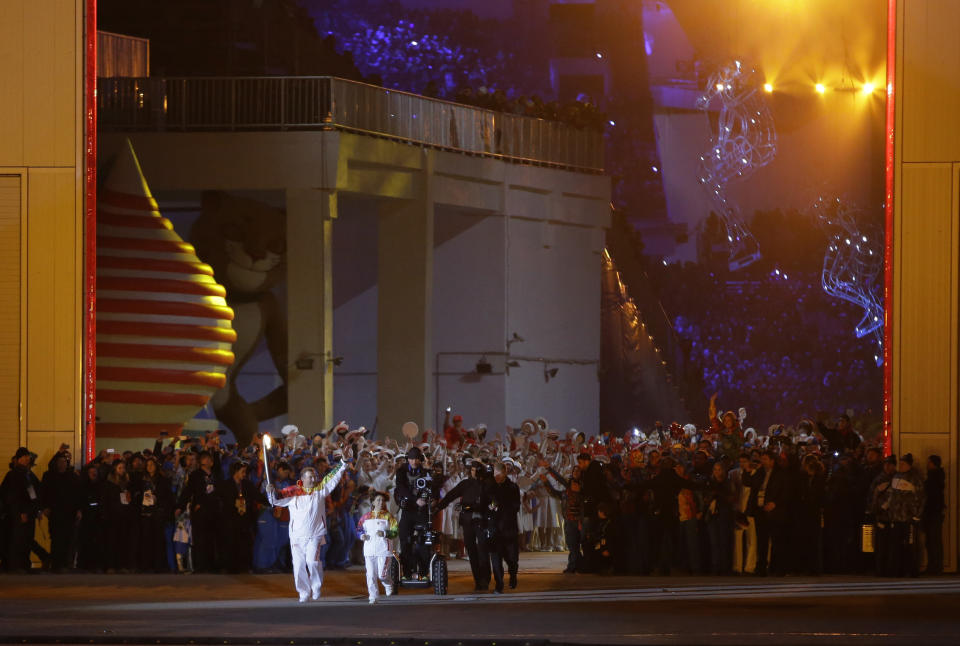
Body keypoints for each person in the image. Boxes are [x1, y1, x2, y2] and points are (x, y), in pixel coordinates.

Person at [266, 458, 350, 602]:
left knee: (312, 562)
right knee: (298, 566)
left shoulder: (320, 490)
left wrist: (342, 463)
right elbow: (275, 500)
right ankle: (303, 592)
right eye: (310, 476)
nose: (313, 479)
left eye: (315, 476)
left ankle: (316, 586)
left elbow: (332, 478)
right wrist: (270, 492)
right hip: (296, 536)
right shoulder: (292, 492)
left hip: (315, 535)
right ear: (302, 479)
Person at [436, 459, 487, 591]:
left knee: (483, 550)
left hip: (482, 521)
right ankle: (478, 580)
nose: (474, 471)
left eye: (476, 469)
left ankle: (485, 579)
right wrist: (438, 507)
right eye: (472, 469)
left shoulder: (486, 484)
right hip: (467, 521)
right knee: (471, 550)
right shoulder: (465, 484)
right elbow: (450, 496)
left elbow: (492, 502)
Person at [394, 446, 440, 580]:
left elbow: (435, 488)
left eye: (416, 459)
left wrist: (432, 499)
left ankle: (424, 572)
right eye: (411, 459)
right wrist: (415, 500)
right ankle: (407, 572)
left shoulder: (426, 471)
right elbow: (401, 488)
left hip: (423, 512)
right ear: (408, 459)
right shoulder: (401, 471)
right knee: (405, 541)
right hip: (408, 510)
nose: (414, 462)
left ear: (420, 460)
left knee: (425, 542)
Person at [484, 462, 521, 593]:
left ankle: (513, 575)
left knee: (511, 558)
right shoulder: (489, 487)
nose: (496, 477)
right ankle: (499, 584)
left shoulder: (512, 487)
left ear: (504, 473)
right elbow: (485, 504)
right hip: (494, 528)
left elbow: (516, 506)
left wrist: (501, 507)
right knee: (495, 558)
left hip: (508, 528)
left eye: (499, 475)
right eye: (495, 475)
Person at [2, 448, 39, 572]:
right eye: (23, 457)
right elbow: (13, 496)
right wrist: (20, 512)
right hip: (19, 513)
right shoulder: (14, 474)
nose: (26, 459)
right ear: (18, 459)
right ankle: (16, 566)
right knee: (18, 539)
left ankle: (24, 564)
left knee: (27, 539)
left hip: (29, 512)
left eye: (27, 456)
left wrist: (36, 509)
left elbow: (33, 493)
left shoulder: (27, 474)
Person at [357, 490, 397, 604]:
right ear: (373, 502)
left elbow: (395, 531)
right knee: (370, 575)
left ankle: (388, 583)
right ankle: (373, 596)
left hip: (384, 549)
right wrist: (362, 536)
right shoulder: (366, 517)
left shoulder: (388, 516)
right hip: (369, 550)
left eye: (383, 500)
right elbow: (359, 529)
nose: (381, 502)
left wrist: (384, 534)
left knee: (382, 575)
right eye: (378, 500)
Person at [922, 455, 945, 575]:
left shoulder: (933, 478)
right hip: (934, 513)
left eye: (929, 462)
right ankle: (936, 566)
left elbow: (931, 498)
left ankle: (934, 566)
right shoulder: (938, 477)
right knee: (934, 541)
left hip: (932, 513)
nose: (927, 464)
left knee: (932, 541)